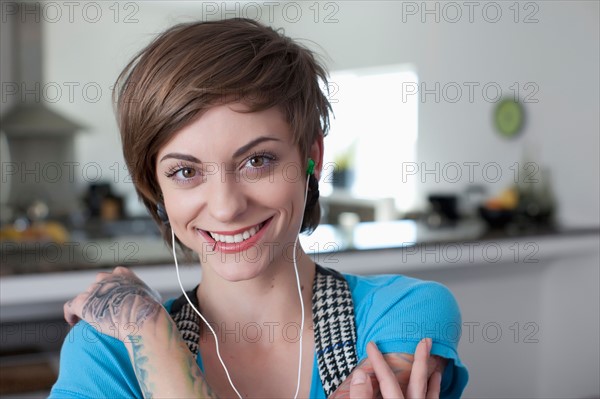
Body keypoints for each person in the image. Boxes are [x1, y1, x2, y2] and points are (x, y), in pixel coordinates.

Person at [49, 18, 468, 398]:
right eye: (184, 171)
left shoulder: (405, 314)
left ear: (312, 158)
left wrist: (155, 336)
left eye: (257, 161)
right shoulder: (105, 353)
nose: (227, 207)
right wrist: (148, 328)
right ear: (155, 186)